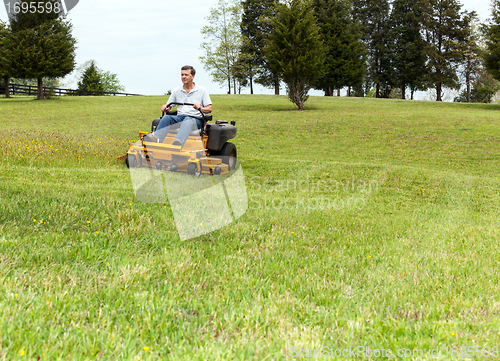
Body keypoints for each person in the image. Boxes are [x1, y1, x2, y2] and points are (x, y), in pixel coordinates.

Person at [144, 65, 212, 146]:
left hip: (196, 120)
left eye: (186, 75)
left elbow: (209, 109)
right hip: (180, 118)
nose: (183, 77)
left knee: (188, 120)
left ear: (193, 76)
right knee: (166, 117)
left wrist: (200, 108)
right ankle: (156, 139)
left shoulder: (202, 90)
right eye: (182, 75)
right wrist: (165, 107)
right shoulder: (177, 90)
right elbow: (169, 105)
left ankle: (178, 143)